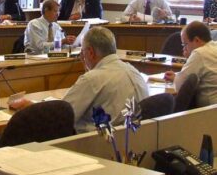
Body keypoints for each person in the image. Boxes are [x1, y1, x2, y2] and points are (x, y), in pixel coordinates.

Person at [14, 26, 149, 133]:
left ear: (90, 52)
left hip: (94, 145)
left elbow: (61, 116)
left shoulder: (92, 79)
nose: (82, 56)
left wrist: (30, 107)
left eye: (82, 52)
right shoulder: (133, 71)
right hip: (129, 141)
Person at [164, 21, 217, 107]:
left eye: (185, 44)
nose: (184, 49)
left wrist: (190, 57)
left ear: (196, 40)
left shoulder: (200, 53)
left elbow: (181, 86)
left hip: (210, 113)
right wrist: (176, 77)